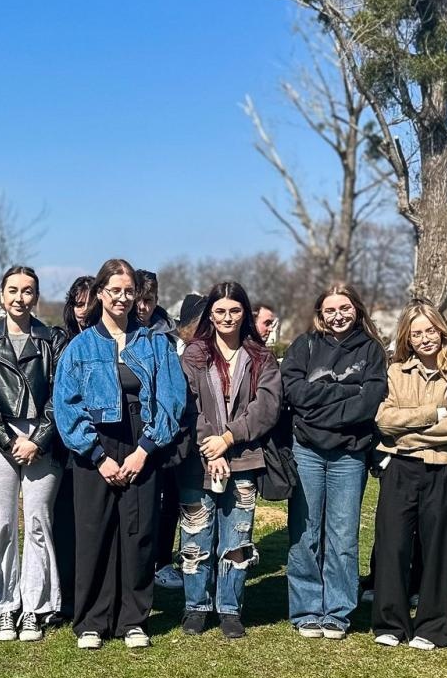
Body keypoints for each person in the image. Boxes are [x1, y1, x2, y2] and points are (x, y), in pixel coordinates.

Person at [54, 258, 187, 650]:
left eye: (129, 291)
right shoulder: (80, 347)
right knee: (94, 532)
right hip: (95, 449)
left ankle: (133, 619)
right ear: (100, 294)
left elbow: (172, 399)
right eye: (115, 291)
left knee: (139, 533)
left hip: (141, 446)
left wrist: (145, 450)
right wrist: (97, 455)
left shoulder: (155, 343)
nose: (123, 298)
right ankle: (92, 620)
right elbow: (66, 405)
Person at [174, 282, 281, 639]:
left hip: (244, 457)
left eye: (234, 311)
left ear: (244, 313)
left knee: (237, 539)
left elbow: (266, 407)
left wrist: (228, 438)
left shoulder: (260, 357)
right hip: (197, 460)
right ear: (210, 315)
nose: (227, 318)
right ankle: (196, 606)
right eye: (219, 311)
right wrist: (210, 444)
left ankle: (230, 608)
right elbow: (187, 405)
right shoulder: (194, 354)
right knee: (196, 537)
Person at [282, 282, 388, 639]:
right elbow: (294, 392)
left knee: (342, 536)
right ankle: (307, 609)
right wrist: (343, 394)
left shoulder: (371, 350)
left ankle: (338, 612)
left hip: (349, 453)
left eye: (344, 308)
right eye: (330, 310)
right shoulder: (305, 345)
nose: (338, 315)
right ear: (320, 313)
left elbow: (370, 400)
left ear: (356, 310)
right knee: (305, 533)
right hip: (307, 450)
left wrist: (323, 403)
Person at [370, 302, 447, 649]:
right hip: (399, 469)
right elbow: (384, 420)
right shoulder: (394, 373)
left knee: (439, 550)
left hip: (442, 469)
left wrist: (408, 433)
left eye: (430, 330)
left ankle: (433, 628)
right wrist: (433, 413)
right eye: (417, 333)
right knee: (392, 546)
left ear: (442, 332)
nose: (425, 338)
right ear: (407, 338)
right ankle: (391, 624)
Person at [0, 266, 66, 641]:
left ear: (36, 297)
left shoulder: (52, 339)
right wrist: (9, 441)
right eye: (13, 290)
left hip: (42, 437)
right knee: (3, 524)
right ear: (1, 294)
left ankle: (36, 606)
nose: (19, 298)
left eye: (27, 291)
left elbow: (61, 394)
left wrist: (38, 439)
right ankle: (4, 604)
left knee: (39, 522)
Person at [134, 269, 183, 589]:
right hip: (131, 429)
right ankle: (137, 561)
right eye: (137, 300)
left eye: (148, 301)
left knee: (168, 502)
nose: (141, 307)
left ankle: (163, 561)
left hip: (164, 431)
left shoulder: (170, 337)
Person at [54, 274, 98, 619]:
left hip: (102, 448)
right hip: (63, 450)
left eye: (89, 303)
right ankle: (67, 596)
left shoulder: (111, 342)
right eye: (77, 303)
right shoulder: (61, 342)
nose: (83, 310)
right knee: (66, 527)